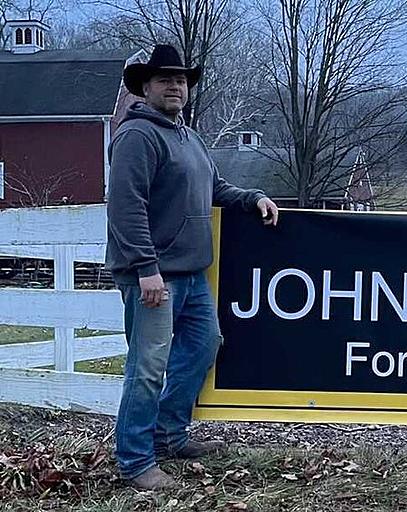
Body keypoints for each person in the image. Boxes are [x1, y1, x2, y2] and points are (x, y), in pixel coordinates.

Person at [105, 44, 279, 490]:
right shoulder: (136, 136)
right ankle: (135, 460)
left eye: (180, 79)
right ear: (145, 87)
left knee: (205, 345)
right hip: (154, 274)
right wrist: (146, 269)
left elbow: (214, 186)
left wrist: (250, 197)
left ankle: (169, 433)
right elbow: (126, 207)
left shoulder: (188, 136)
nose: (174, 86)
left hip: (192, 274)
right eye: (164, 79)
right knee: (147, 367)